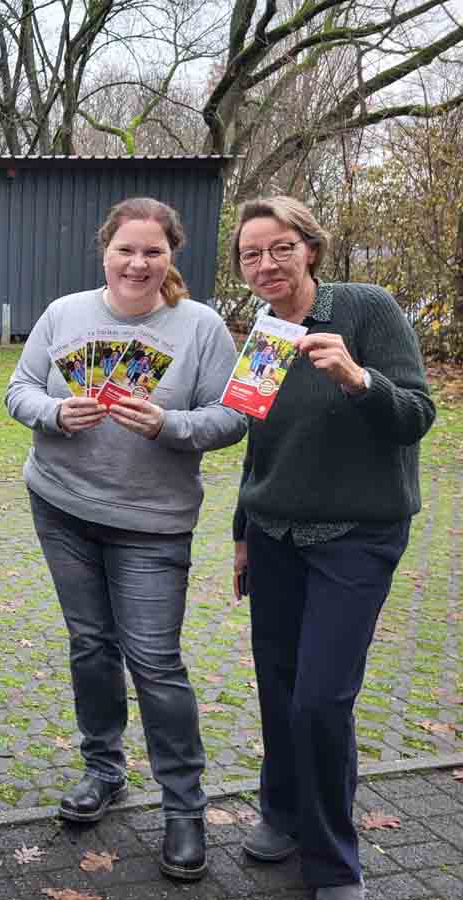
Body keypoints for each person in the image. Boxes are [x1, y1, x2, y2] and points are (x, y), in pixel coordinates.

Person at [6, 197, 247, 882]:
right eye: (125, 250)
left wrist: (169, 425)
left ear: (172, 255)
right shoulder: (64, 315)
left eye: (152, 251)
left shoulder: (199, 328)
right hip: (62, 507)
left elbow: (234, 415)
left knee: (154, 662)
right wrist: (55, 411)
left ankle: (183, 806)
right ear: (104, 251)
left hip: (152, 523)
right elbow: (19, 390)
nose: (138, 263)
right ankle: (104, 770)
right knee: (90, 644)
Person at [229, 196, 435, 900]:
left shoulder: (366, 309)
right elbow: (260, 445)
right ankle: (282, 813)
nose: (266, 264)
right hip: (275, 534)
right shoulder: (260, 333)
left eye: (280, 247)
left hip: (358, 533)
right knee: (280, 688)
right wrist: (240, 534)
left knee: (321, 698)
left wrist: (357, 379)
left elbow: (416, 416)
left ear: (310, 247)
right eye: (252, 254)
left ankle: (334, 861)